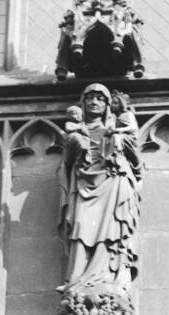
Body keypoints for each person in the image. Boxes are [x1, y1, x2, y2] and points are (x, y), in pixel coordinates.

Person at [58, 84, 142, 296]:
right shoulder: (74, 130)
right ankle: (77, 278)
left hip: (113, 181)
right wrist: (75, 144)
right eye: (90, 98)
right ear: (83, 102)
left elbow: (136, 158)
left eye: (100, 99)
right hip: (82, 183)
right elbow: (67, 163)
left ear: (106, 105)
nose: (94, 102)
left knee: (111, 229)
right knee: (80, 226)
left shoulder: (115, 129)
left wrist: (119, 141)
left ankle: (109, 278)